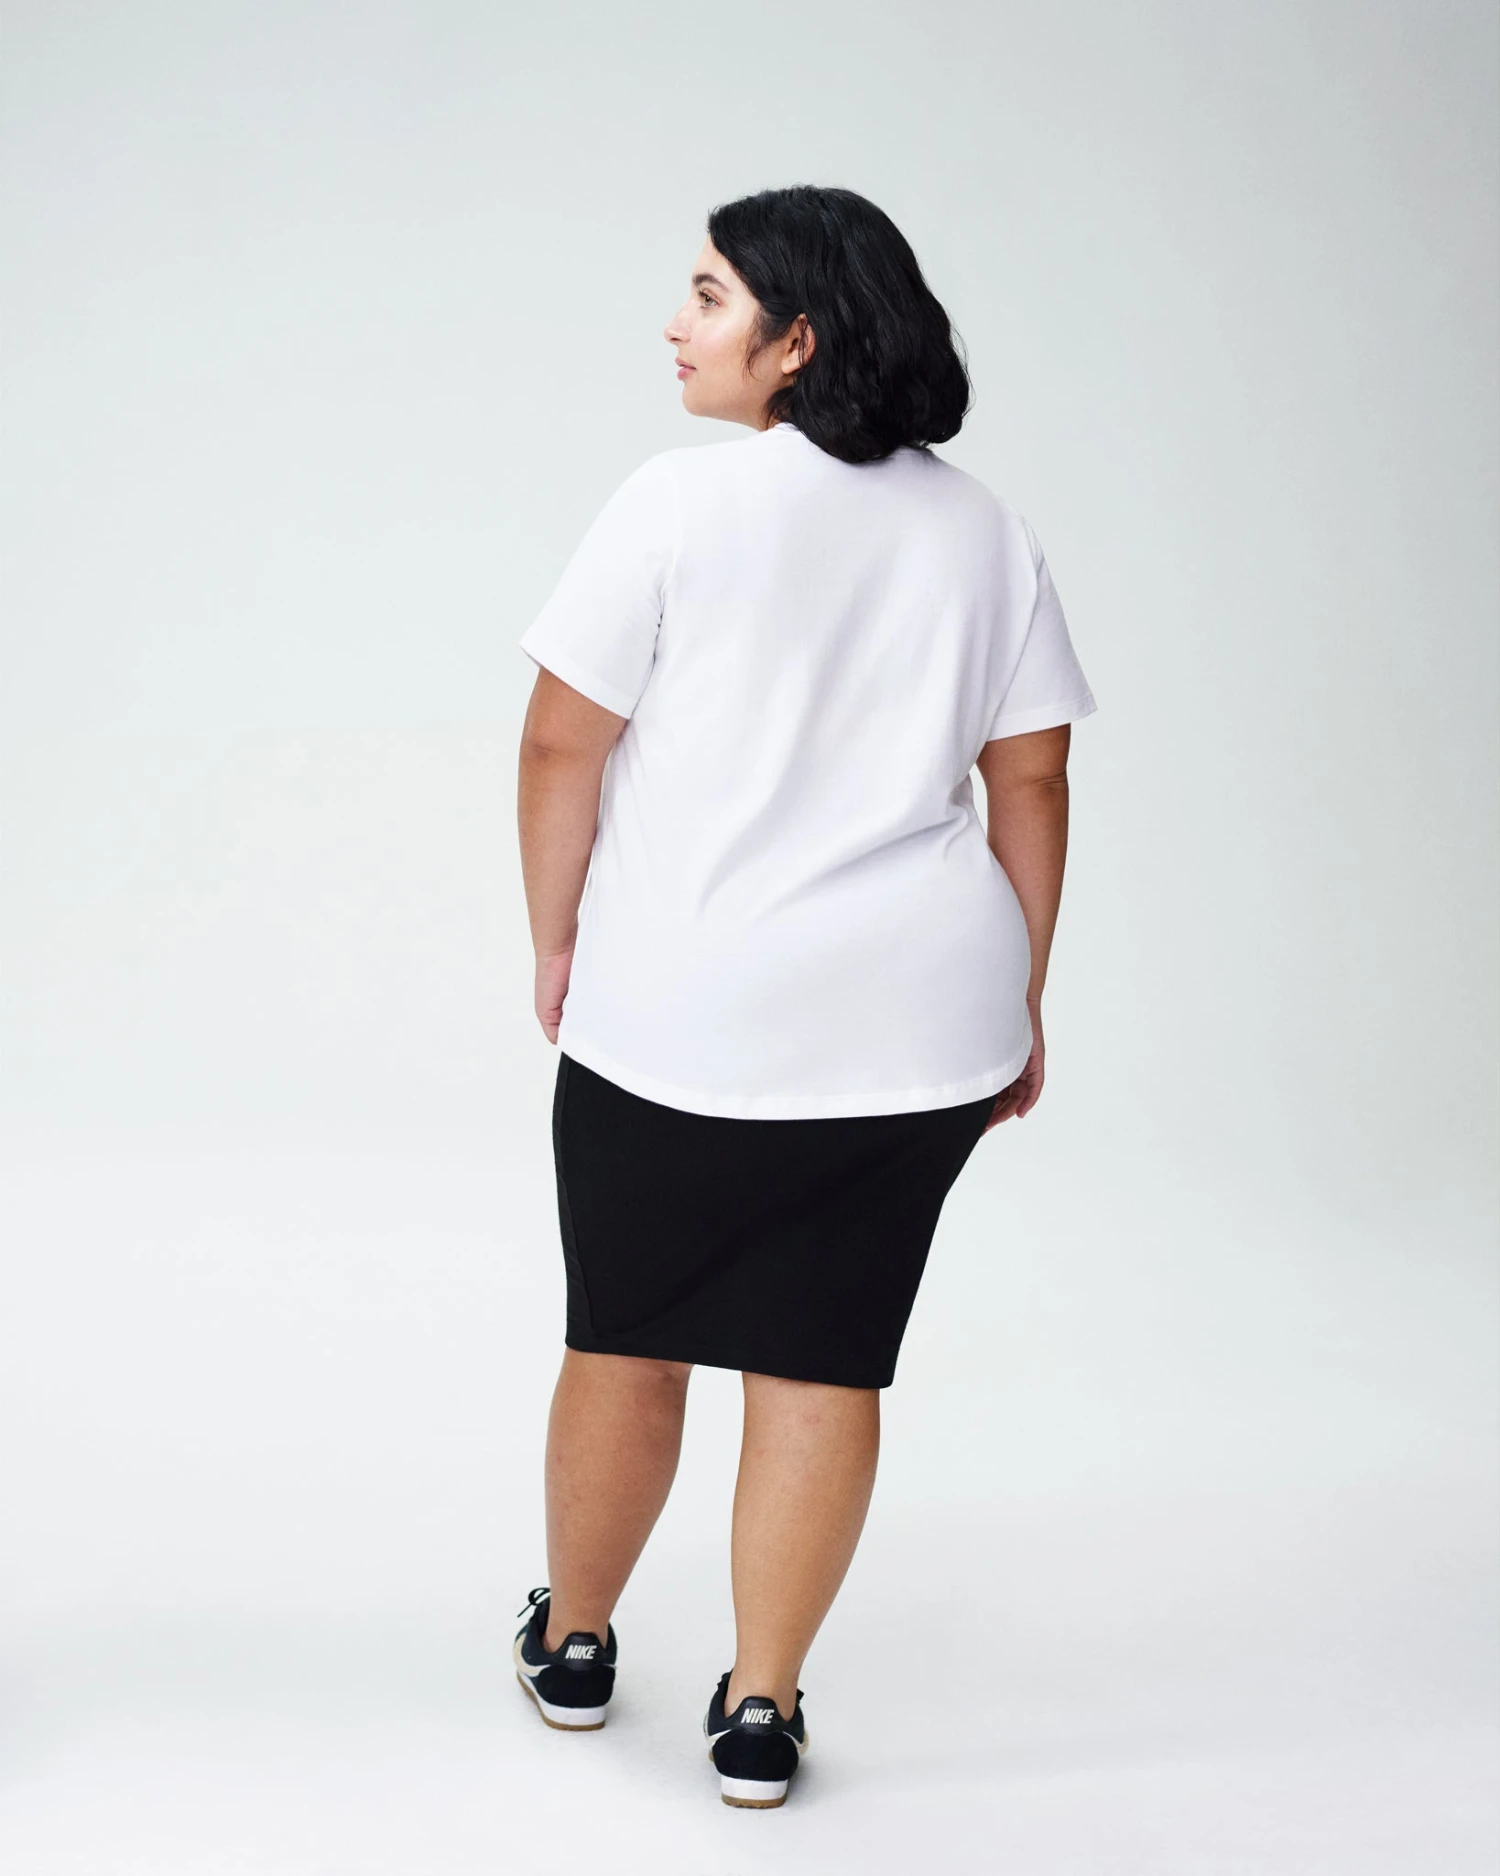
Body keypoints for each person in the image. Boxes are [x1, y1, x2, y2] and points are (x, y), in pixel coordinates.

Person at [513, 184, 1098, 1809]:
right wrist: (1021, 990)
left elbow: (561, 741)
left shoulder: (674, 504)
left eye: (710, 295)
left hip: (680, 1011)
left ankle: (576, 1642)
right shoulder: (987, 529)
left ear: (798, 342)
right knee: (824, 1363)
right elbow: (1033, 780)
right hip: (916, 1026)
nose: (677, 322)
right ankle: (762, 1711)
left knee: (627, 1338)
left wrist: (554, 937)